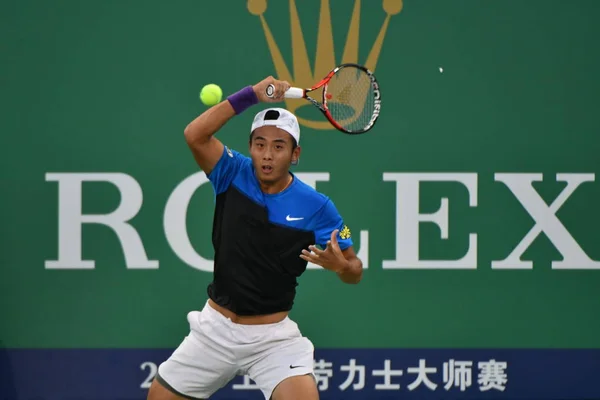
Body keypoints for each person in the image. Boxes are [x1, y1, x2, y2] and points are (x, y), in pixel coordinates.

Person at [147, 76, 364, 400]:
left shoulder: (321, 208)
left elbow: (355, 266)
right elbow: (194, 135)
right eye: (259, 144)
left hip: (273, 340)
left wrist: (342, 267)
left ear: (295, 154)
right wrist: (250, 96)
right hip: (214, 332)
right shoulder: (231, 172)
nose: (267, 154)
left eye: (278, 147)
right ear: (250, 147)